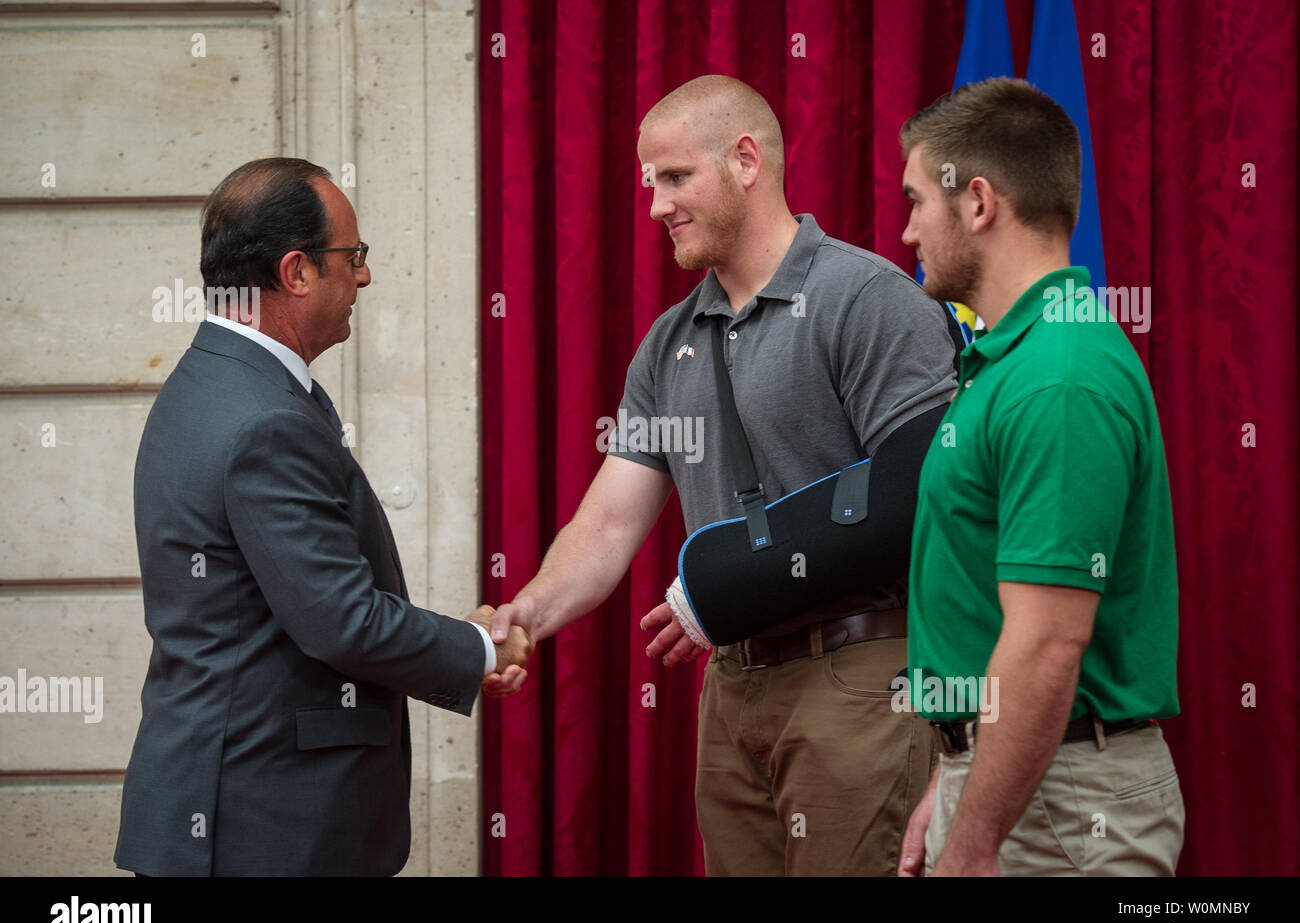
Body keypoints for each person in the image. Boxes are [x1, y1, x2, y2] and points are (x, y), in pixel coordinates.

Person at [488, 75, 959, 875]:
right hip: (731, 692)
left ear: (746, 159)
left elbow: (923, 497)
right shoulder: (667, 342)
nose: (656, 207)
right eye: (651, 184)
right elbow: (607, 521)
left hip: (859, 680)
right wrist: (524, 611)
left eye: (676, 178)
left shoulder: (867, 299)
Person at [115, 158, 531, 876]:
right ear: (297, 271)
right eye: (354, 256)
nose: (364, 277)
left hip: (223, 808)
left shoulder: (208, 383)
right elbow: (343, 622)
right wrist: (479, 649)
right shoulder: (263, 419)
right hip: (265, 825)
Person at [895, 78, 1184, 877]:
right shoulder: (1015, 361)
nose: (908, 227)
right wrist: (954, 777)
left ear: (977, 202)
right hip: (1024, 785)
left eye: (918, 200)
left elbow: (1048, 645)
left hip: (1060, 815)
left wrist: (975, 841)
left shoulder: (1057, 376)